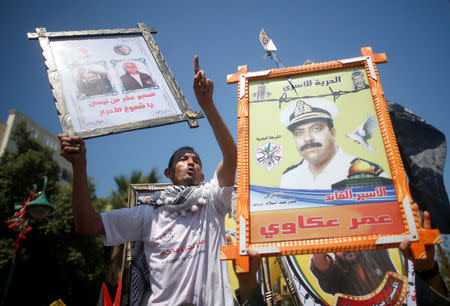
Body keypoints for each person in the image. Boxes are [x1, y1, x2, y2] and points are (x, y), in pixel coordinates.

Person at [59, 55, 238, 305]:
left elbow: (231, 156)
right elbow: (87, 225)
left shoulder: (213, 201)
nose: (190, 162)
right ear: (168, 174)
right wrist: (80, 166)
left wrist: (207, 106)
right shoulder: (147, 215)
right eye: (183, 159)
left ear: (202, 174)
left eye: (195, 160)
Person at [280, 98, 387, 189]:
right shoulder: (289, 177)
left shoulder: (368, 172)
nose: (307, 138)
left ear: (332, 132)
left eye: (316, 129)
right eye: (298, 133)